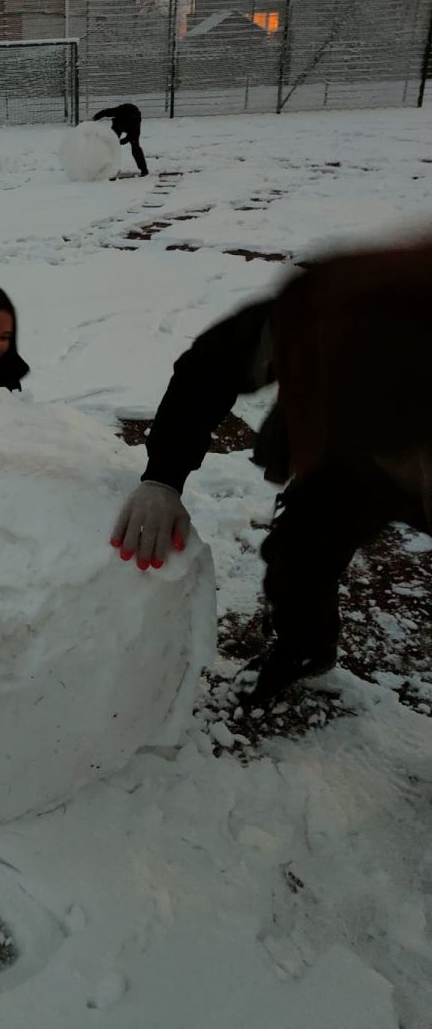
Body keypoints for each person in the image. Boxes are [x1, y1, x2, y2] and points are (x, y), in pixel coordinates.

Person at [110, 239, 432, 707]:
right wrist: (163, 476)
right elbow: (211, 367)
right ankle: (306, 649)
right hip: (348, 462)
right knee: (298, 559)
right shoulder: (331, 306)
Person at [92, 102, 149, 176]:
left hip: (133, 122)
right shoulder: (118, 112)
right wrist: (95, 117)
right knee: (109, 145)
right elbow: (106, 112)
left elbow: (129, 138)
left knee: (135, 147)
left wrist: (120, 141)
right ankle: (107, 168)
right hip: (119, 124)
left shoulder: (135, 126)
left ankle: (144, 169)